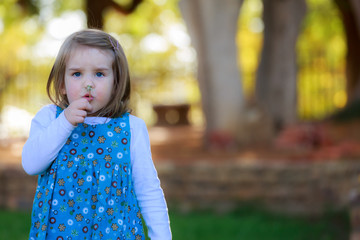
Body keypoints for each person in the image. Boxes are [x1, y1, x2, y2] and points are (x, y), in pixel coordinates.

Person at [22, 29, 172, 240]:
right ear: (62, 84)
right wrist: (65, 121)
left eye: (99, 74)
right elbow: (31, 164)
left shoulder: (132, 128)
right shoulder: (50, 118)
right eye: (77, 74)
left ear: (116, 82)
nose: (88, 84)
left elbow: (148, 189)